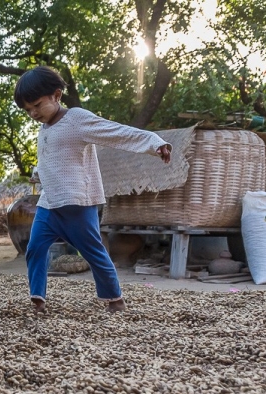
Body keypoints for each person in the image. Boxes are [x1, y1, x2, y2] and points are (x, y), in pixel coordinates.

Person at [13, 66, 172, 314]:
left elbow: (116, 132)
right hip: (49, 204)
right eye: (27, 110)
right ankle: (38, 299)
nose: (33, 113)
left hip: (77, 204)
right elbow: (51, 159)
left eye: (37, 105)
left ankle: (115, 299)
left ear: (56, 95)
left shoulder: (76, 119)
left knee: (92, 251)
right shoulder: (44, 129)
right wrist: (38, 173)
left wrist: (154, 143)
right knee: (35, 248)